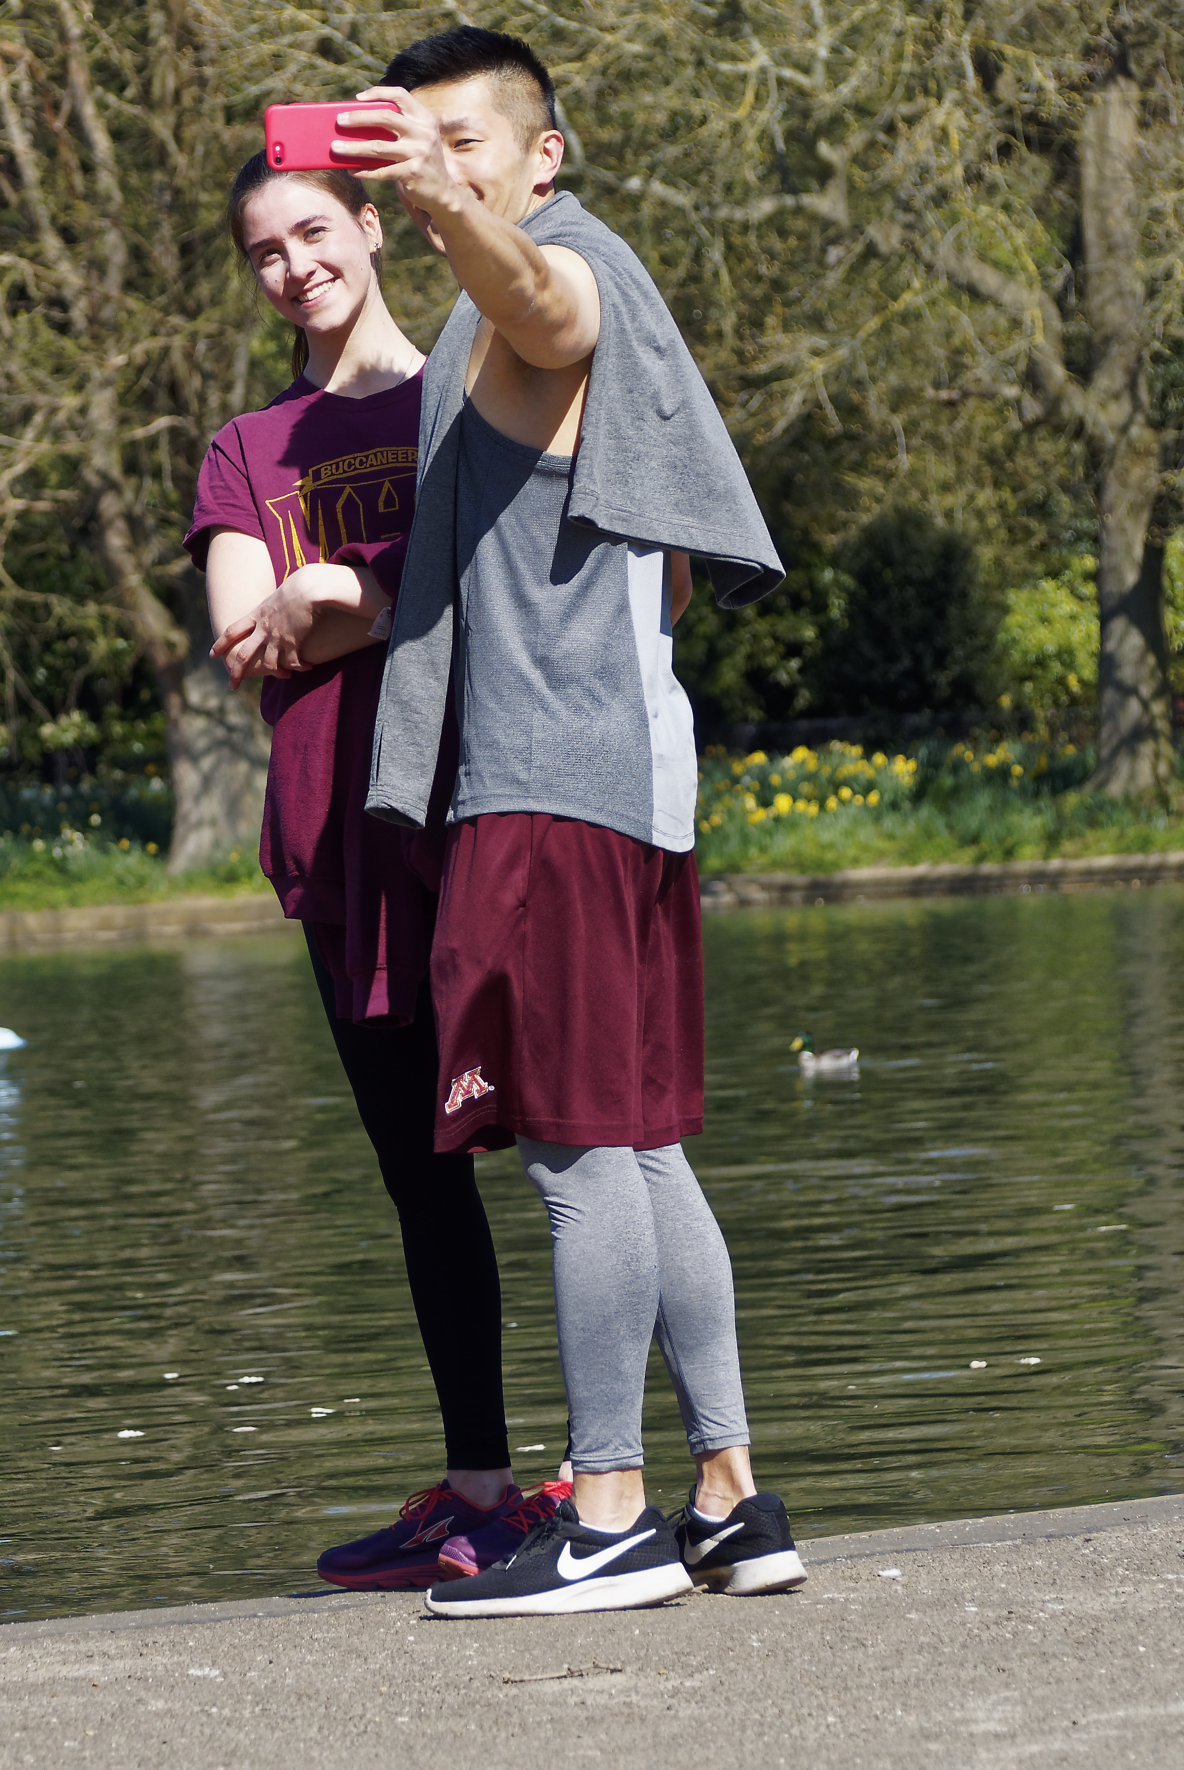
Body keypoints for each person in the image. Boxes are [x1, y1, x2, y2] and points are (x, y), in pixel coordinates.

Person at [347, 26, 805, 1618]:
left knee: (570, 1155)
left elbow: (543, 305)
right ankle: (728, 1497)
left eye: (464, 142)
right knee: (641, 1146)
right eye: (416, 144)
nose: (439, 169)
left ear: (540, 154)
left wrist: (438, 202)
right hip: (629, 783)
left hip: (552, 786)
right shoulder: (497, 301)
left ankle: (604, 1513)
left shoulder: (561, 270)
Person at [191, 145, 531, 1589]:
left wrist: (339, 586)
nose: (294, 268)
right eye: (264, 251)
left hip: (484, 812)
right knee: (419, 1177)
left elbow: (501, 586)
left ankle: (633, 1480)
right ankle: (480, 1489)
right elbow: (244, 639)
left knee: (579, 1149)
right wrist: (383, 592)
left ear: (373, 226)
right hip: (339, 844)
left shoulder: (468, 386)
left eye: (314, 232)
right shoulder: (246, 448)